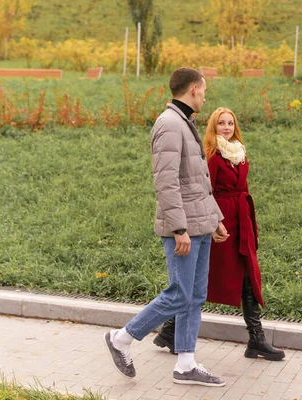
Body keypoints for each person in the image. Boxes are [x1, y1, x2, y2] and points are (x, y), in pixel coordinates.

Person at [103, 67, 230, 387]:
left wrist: (214, 219)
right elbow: (166, 182)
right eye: (203, 90)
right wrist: (178, 229)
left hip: (199, 225)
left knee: (194, 296)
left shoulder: (185, 123)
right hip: (183, 229)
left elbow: (197, 182)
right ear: (192, 90)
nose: (205, 95)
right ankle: (121, 338)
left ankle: (185, 364)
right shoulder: (170, 124)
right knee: (178, 294)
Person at [153, 107, 286, 361]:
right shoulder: (212, 156)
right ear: (213, 128)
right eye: (221, 124)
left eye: (230, 123)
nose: (227, 127)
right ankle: (170, 329)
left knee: (248, 275)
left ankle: (255, 338)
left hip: (241, 223)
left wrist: (249, 221)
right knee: (199, 279)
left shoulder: (240, 154)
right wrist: (214, 223)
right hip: (218, 223)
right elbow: (205, 193)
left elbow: (243, 187)